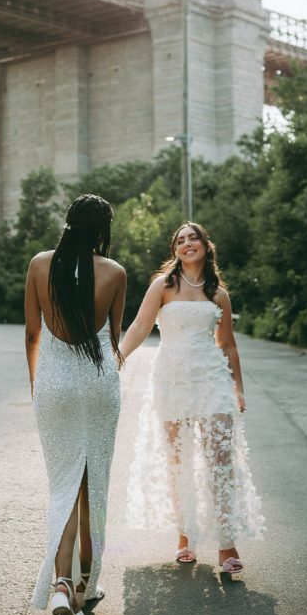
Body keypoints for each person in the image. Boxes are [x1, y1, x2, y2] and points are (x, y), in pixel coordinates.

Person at [121, 222, 264, 570]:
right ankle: (185, 537)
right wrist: (118, 358)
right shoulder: (163, 287)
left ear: (205, 246)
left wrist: (238, 387)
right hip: (172, 379)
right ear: (175, 250)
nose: (187, 244)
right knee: (179, 460)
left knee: (220, 458)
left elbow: (227, 343)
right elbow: (140, 326)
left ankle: (227, 546)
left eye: (193, 238)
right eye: (181, 240)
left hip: (212, 379)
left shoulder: (219, 294)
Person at [24, 193, 126, 615]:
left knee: (63, 482)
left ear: (67, 222)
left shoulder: (39, 264)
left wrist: (38, 387)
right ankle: (86, 586)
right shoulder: (115, 273)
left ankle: (61, 583)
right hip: (99, 386)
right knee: (91, 483)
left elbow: (32, 333)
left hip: (54, 387)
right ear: (103, 230)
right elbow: (113, 339)